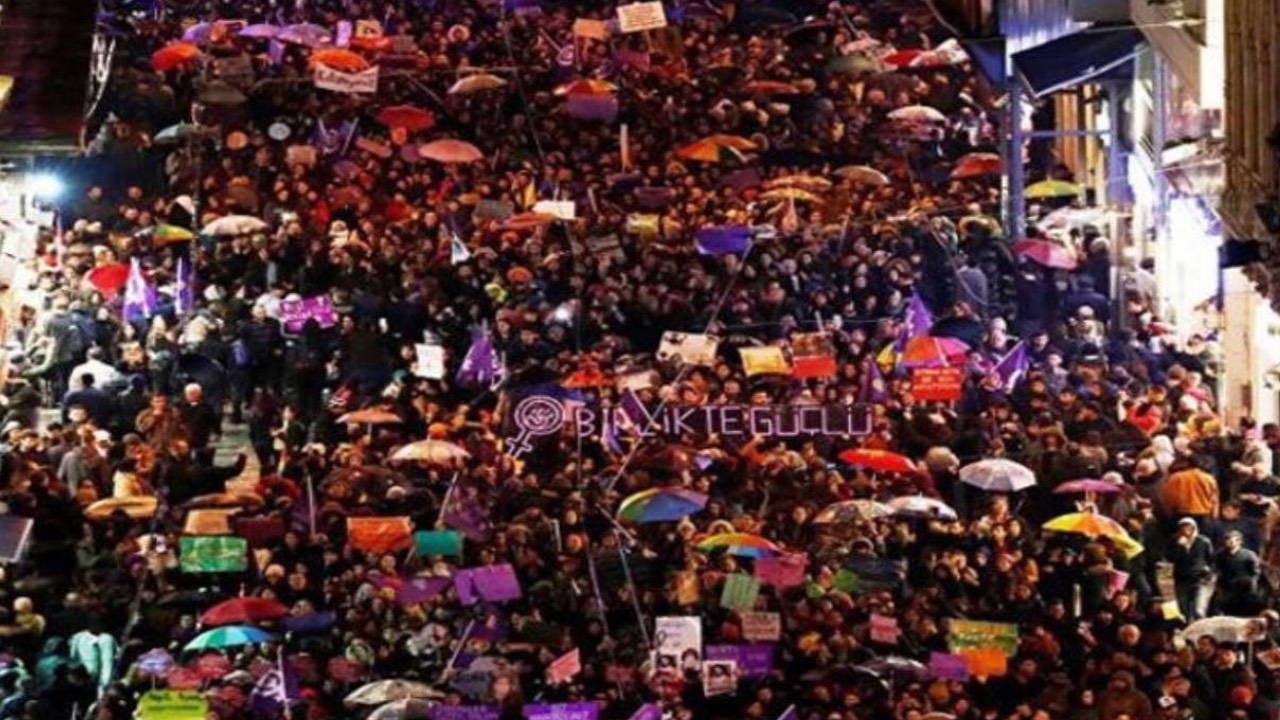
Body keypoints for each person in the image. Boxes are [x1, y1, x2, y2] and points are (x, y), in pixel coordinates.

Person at [1169, 517, 1216, 620]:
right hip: (1182, 579)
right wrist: (1180, 547)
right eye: (1183, 527)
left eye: (1189, 527)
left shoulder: (1203, 541)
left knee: (1198, 610)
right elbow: (1170, 558)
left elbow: (1211, 559)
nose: (1186, 530)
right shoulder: (1174, 541)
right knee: (1183, 610)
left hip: (1199, 579)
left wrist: (1209, 573)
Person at [1215, 529, 1261, 615]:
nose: (1231, 543)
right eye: (1228, 540)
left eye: (1233, 540)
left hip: (1244, 588)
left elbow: (1255, 572)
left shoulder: (1249, 554)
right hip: (1227, 588)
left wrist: (1252, 584)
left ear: (1240, 542)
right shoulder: (1220, 555)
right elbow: (1217, 569)